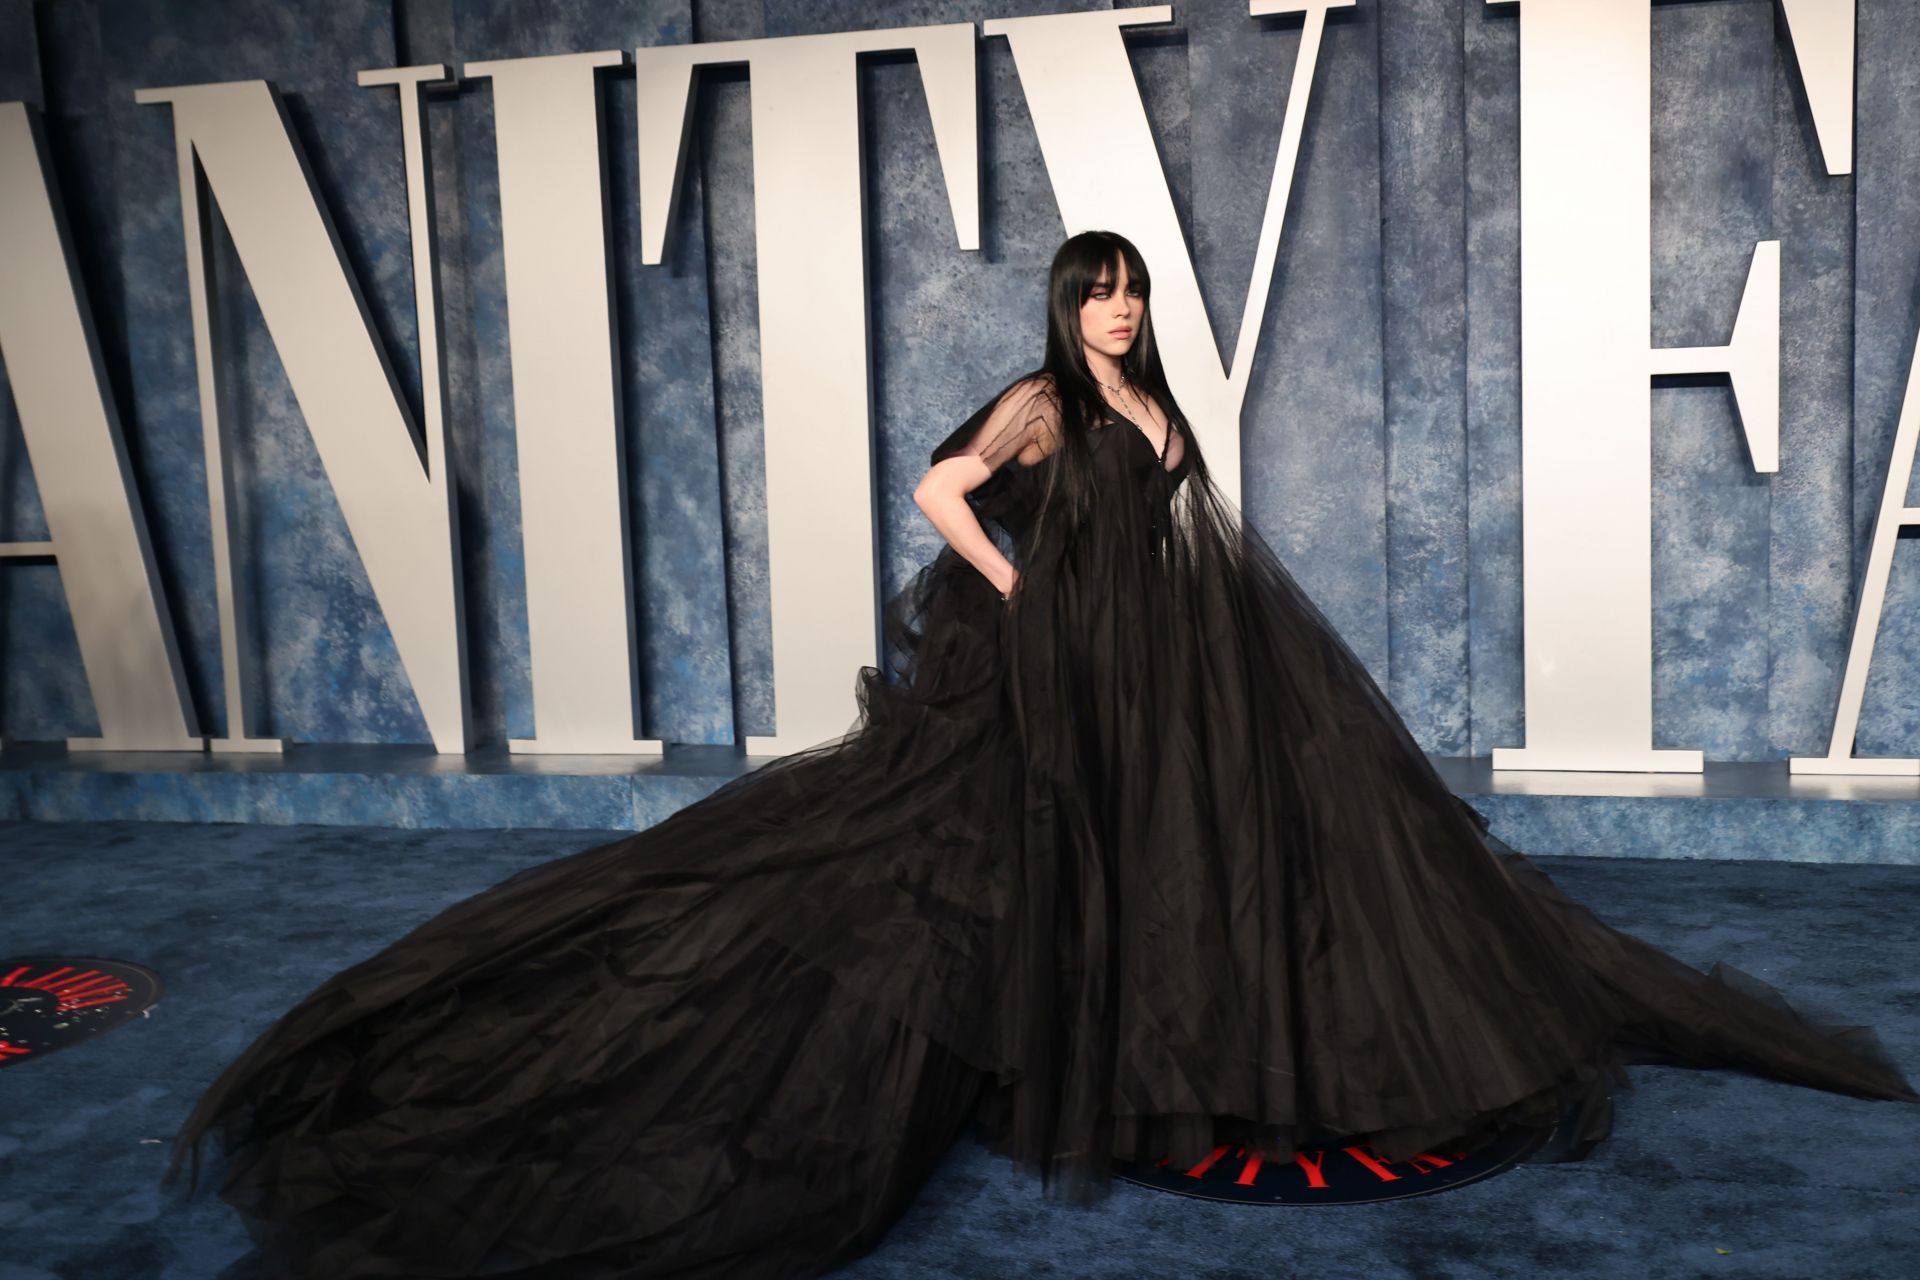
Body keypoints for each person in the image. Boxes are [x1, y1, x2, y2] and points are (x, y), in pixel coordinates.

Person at [162, 231, 1918, 1278]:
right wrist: (1021, 587)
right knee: (961, 869)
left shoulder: (1159, 409)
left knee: (1238, 852)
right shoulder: (1041, 409)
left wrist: (1172, 620)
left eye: (1136, 294)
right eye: (1099, 294)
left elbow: (1184, 531)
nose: (1121, 315)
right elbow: (934, 491)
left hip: (1159, 667)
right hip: (1051, 674)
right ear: (1064, 310)